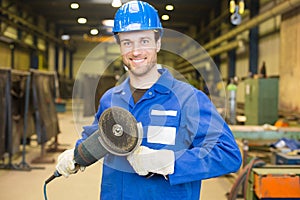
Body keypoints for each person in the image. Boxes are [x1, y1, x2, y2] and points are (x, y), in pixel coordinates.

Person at [55, 1, 242, 199]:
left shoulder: (189, 99)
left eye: (144, 41)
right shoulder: (110, 99)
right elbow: (97, 137)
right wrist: (75, 156)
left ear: (158, 43)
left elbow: (228, 154)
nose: (136, 51)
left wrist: (171, 162)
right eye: (127, 42)